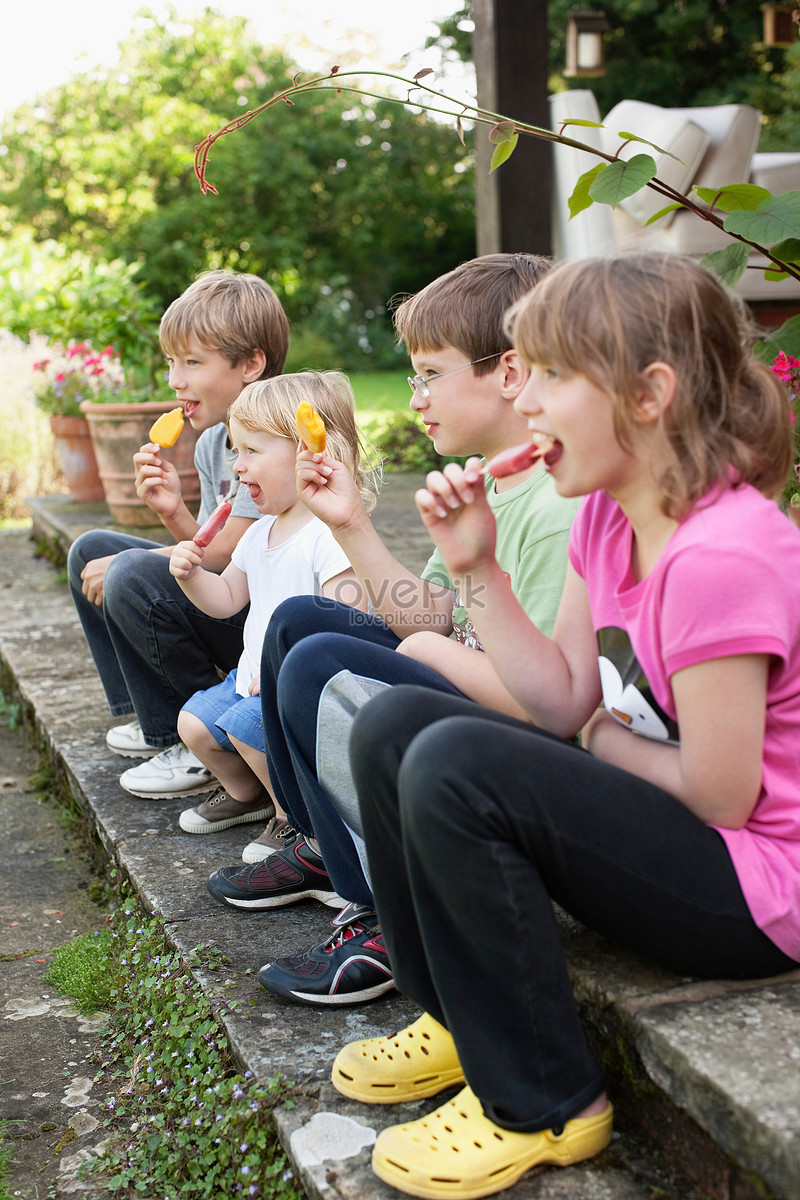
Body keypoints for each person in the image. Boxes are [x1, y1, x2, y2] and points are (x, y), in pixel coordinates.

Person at [332, 252, 800, 1200]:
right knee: (395, 725)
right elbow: (557, 696)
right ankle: (462, 1020)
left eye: (551, 376)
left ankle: (542, 1098)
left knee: (459, 757)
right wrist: (476, 571)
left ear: (648, 395)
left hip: (760, 887)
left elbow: (720, 792)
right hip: (682, 822)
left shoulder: (722, 554)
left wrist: (606, 741)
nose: (528, 402)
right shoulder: (608, 518)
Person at [204, 253, 580, 1005]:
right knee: (302, 622)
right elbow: (429, 614)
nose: (415, 399)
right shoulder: (490, 483)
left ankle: (386, 909)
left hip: (508, 741)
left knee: (316, 660)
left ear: (508, 372)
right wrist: (352, 523)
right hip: (464, 692)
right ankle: (328, 850)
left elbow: (538, 701)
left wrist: (427, 646)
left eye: (429, 375)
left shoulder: (552, 506)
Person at [66, 270, 289, 799]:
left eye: (192, 362)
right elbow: (207, 546)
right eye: (172, 362)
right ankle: (149, 719)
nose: (175, 380)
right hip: (225, 589)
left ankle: (194, 743)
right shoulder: (215, 439)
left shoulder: (271, 442)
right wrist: (173, 511)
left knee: (127, 571)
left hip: (266, 618)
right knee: (91, 550)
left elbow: (226, 557)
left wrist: (165, 530)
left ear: (250, 365)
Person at [170, 370, 373, 842]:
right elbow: (225, 601)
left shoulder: (329, 534)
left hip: (293, 689)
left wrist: (288, 664)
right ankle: (251, 795)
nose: (238, 468)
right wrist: (192, 576)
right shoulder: (259, 532)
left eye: (251, 451)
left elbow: (348, 620)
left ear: (308, 451)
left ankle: (295, 821)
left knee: (244, 729)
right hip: (248, 679)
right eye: (235, 451)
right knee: (194, 725)